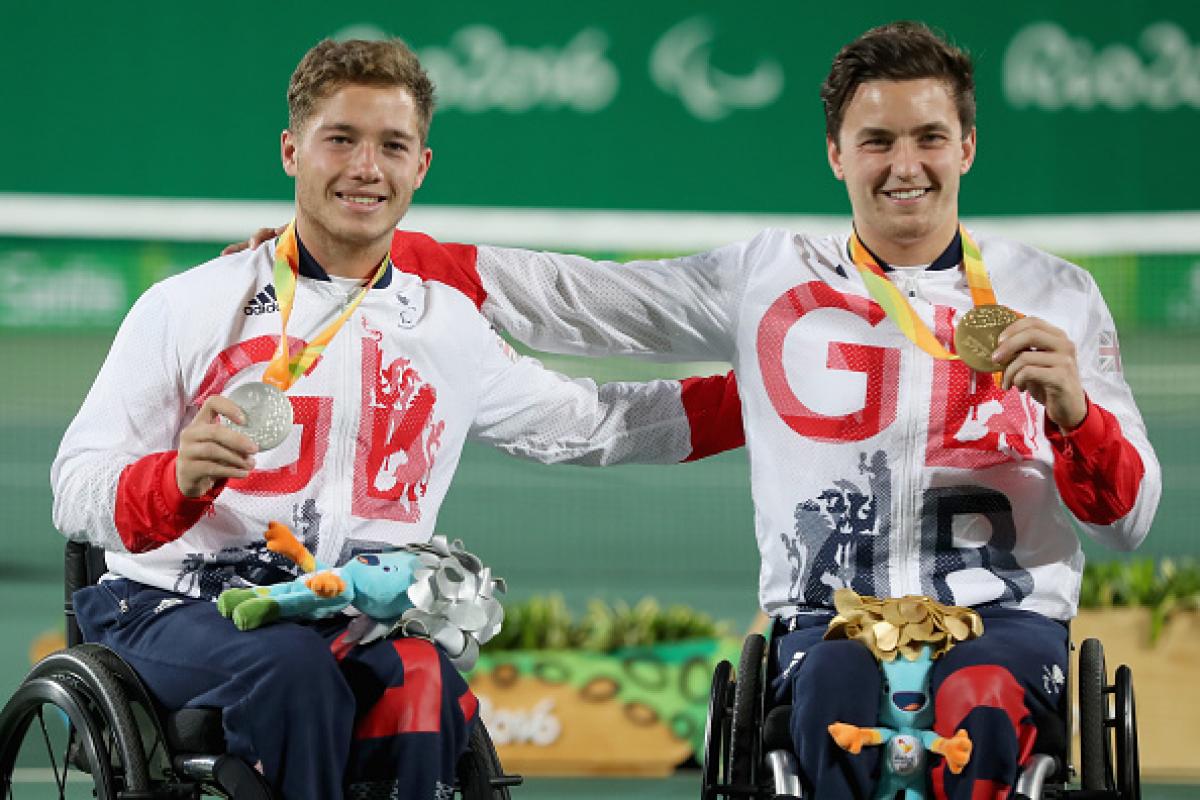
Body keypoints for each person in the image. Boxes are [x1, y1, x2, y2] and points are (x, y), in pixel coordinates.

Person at [235, 20, 1160, 798]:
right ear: (837, 153)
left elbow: (1127, 523)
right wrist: (363, 241)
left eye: (927, 136)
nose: (903, 164)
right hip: (827, 621)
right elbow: (585, 299)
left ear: (966, 146)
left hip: (1004, 623)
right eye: (877, 141)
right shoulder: (770, 280)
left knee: (978, 710)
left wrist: (1079, 416)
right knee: (833, 710)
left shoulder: (1058, 296)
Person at [50, 38, 736, 800]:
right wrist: (173, 477)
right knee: (293, 668)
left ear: (422, 166)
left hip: (343, 614)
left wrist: (762, 402)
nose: (365, 167)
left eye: (392, 146)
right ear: (291, 151)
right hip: (171, 607)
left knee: (422, 674)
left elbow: (594, 423)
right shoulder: (188, 305)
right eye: (340, 139)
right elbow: (75, 488)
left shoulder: (447, 326)